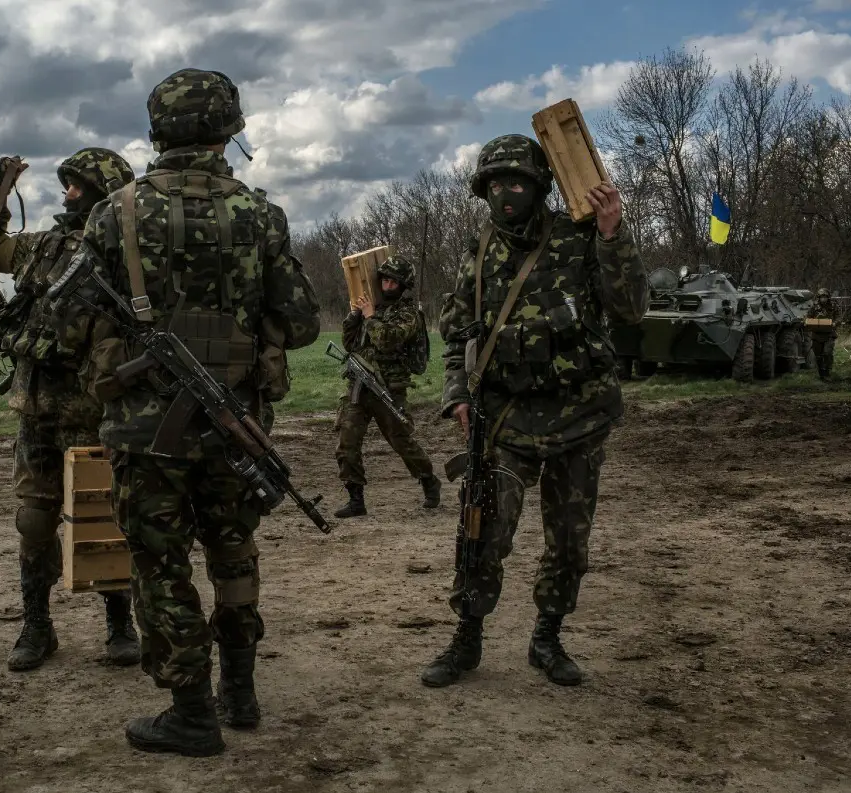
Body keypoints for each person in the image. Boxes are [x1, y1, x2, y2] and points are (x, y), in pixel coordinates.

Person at [67, 67, 321, 756]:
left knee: (160, 563)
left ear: (158, 130)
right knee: (233, 550)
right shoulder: (261, 214)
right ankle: (239, 691)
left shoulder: (114, 212)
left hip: (147, 432)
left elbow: (69, 325)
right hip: (236, 421)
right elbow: (300, 323)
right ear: (229, 131)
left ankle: (190, 708)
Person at [419, 134, 649, 690]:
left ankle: (548, 636)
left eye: (517, 183)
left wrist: (614, 234)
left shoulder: (580, 236)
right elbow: (457, 340)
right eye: (495, 184)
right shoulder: (475, 258)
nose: (506, 194)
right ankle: (467, 637)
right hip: (506, 418)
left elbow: (631, 308)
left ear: (540, 187)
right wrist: (455, 395)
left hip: (580, 415)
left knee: (569, 539)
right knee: (483, 530)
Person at [0, 148, 140, 671]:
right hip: (36, 409)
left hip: (94, 411)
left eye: (75, 185)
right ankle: (36, 626)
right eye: (66, 184)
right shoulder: (41, 247)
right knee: (34, 520)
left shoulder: (123, 251)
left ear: (101, 193)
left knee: (105, 517)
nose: (66, 193)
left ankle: (120, 624)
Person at [333, 255, 441, 517]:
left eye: (393, 282)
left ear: (404, 285)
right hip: (359, 385)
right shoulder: (374, 308)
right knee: (347, 443)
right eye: (384, 280)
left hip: (389, 388)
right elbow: (350, 344)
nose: (387, 285)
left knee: (401, 441)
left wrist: (370, 317)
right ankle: (356, 499)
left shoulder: (408, 314)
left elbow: (387, 340)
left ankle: (428, 480)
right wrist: (355, 316)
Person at [807, 288, 839, 381]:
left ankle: (827, 372)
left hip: (829, 333)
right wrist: (808, 322)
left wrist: (835, 323)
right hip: (817, 334)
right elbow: (808, 317)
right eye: (821, 297)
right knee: (818, 355)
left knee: (827, 353)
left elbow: (839, 317)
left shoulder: (833, 306)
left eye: (825, 297)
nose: (823, 299)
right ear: (819, 298)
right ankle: (821, 374)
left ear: (828, 297)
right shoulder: (814, 306)